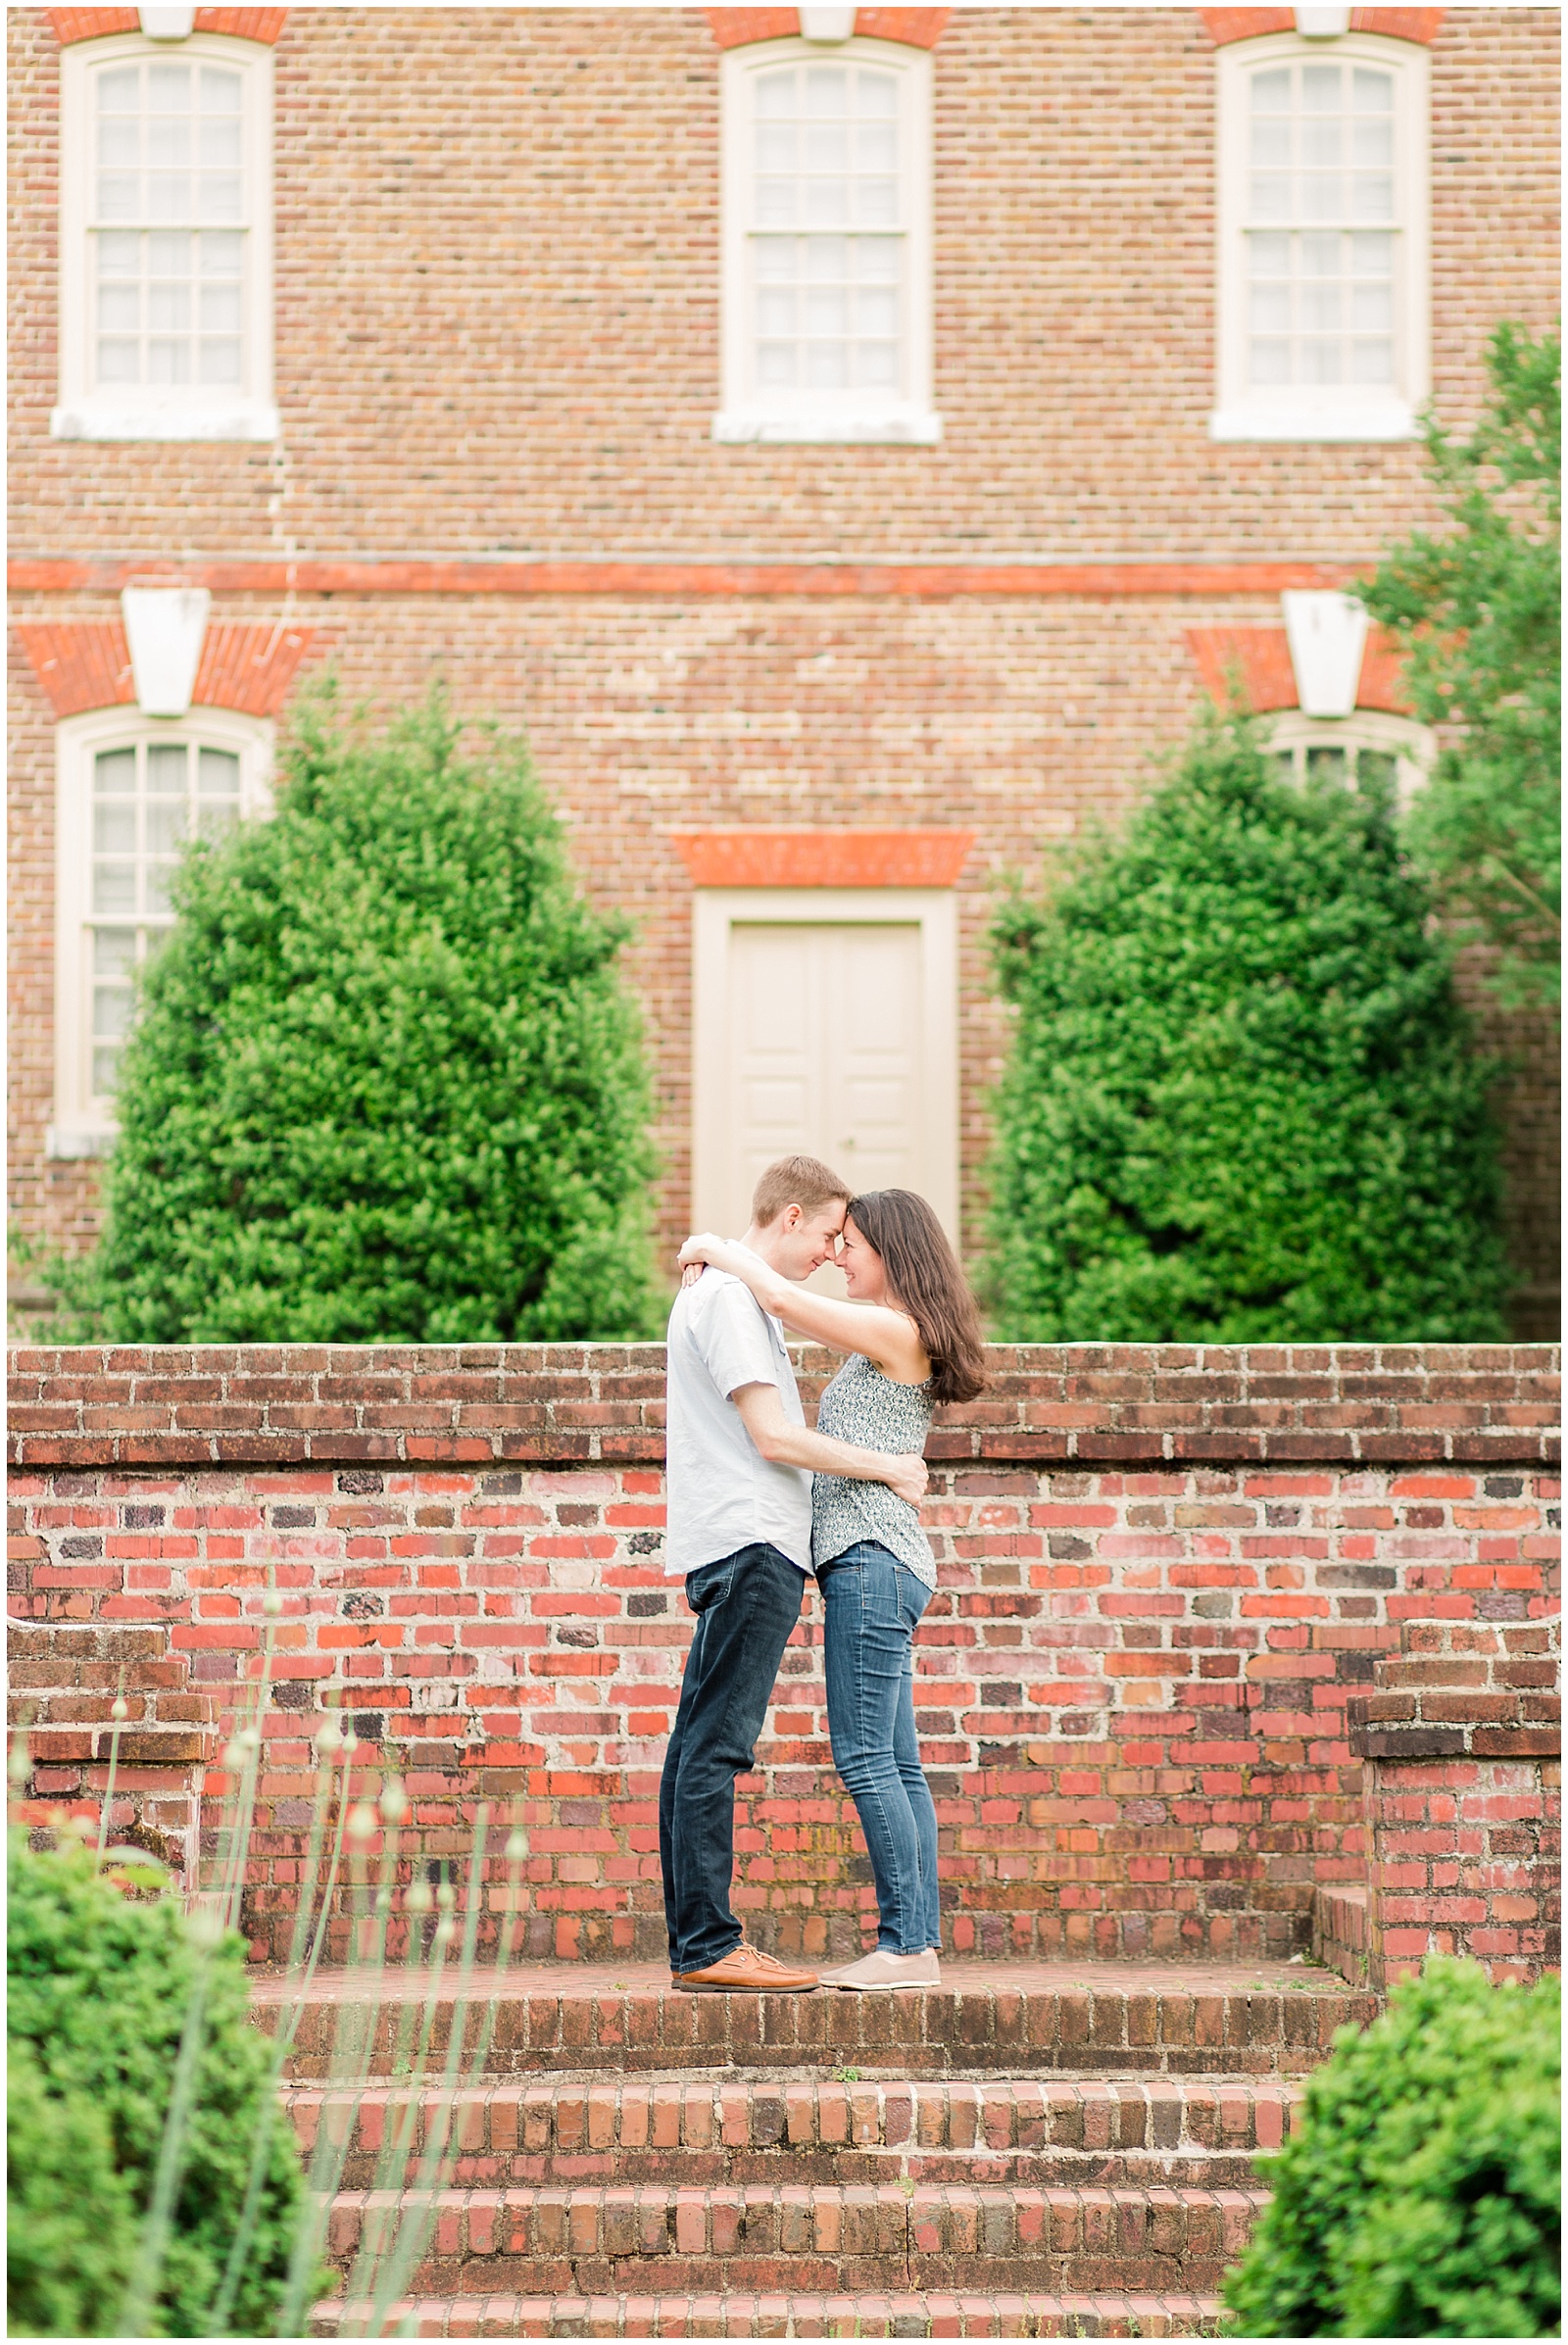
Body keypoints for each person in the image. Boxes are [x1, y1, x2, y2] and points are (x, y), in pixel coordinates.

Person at [679, 1189, 986, 1990]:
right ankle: (915, 1940)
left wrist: (711, 1240)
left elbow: (778, 1296)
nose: (839, 1255)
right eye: (835, 1239)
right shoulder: (895, 1334)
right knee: (898, 1763)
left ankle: (906, 1946)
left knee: (863, 1755)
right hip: (885, 1558)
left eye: (850, 1243)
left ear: (892, 1249)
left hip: (871, 1556)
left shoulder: (896, 1328)